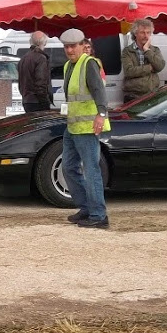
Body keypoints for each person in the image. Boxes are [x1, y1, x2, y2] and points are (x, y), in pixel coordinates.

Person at [60, 28, 111, 229]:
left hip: (88, 127)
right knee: (68, 167)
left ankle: (98, 214)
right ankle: (87, 208)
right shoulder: (68, 66)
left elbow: (99, 90)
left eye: (73, 46)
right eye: (66, 47)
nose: (70, 50)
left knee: (91, 170)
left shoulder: (89, 63)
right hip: (72, 126)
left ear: (83, 46)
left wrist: (101, 114)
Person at [121, 18, 166, 103]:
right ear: (135, 33)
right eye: (142, 32)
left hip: (152, 95)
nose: (146, 35)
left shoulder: (155, 50)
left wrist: (147, 50)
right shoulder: (127, 51)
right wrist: (149, 68)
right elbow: (129, 71)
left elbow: (160, 66)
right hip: (133, 96)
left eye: (148, 32)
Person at [17, 31, 52, 112]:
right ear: (45, 42)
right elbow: (41, 84)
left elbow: (21, 83)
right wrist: (45, 103)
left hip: (27, 100)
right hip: (38, 102)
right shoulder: (41, 58)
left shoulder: (23, 58)